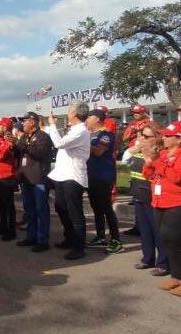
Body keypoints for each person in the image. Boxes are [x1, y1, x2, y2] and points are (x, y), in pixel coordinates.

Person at [142, 122, 181, 297]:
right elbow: (151, 175)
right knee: (167, 241)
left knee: (174, 241)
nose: (164, 138)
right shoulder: (164, 154)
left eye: (169, 136)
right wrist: (149, 163)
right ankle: (177, 276)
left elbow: (178, 177)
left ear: (180, 139)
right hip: (161, 203)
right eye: (164, 135)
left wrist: (156, 163)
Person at [45, 101, 91, 260]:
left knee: (75, 212)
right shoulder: (73, 130)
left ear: (76, 114)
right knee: (60, 207)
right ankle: (70, 237)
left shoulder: (81, 131)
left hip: (73, 176)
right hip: (62, 174)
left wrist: (52, 125)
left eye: (70, 110)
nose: (68, 112)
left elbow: (58, 143)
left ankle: (79, 247)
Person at [124, 122, 169, 276]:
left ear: (157, 138)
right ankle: (147, 259)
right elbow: (125, 159)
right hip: (139, 194)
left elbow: (158, 173)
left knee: (158, 231)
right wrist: (137, 149)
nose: (142, 138)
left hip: (153, 196)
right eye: (141, 135)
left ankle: (163, 263)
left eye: (146, 136)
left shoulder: (161, 153)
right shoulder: (139, 150)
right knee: (145, 230)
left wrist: (149, 156)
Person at [15, 112, 54, 252]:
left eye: (24, 121)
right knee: (29, 209)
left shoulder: (43, 137)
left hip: (39, 179)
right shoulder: (25, 136)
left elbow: (38, 153)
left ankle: (43, 240)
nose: (22, 124)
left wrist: (23, 144)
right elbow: (18, 151)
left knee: (41, 210)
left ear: (32, 122)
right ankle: (31, 236)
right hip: (26, 178)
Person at [85, 109, 123, 254]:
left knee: (106, 208)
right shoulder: (89, 134)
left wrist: (83, 143)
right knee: (96, 208)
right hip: (91, 176)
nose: (87, 119)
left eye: (89, 117)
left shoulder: (105, 134)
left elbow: (99, 151)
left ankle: (116, 240)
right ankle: (101, 237)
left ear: (97, 118)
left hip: (103, 176)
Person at [122, 104, 150, 237]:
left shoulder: (149, 123)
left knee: (144, 189)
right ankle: (139, 226)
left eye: (138, 113)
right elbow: (123, 139)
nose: (136, 114)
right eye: (134, 113)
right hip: (133, 154)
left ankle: (146, 226)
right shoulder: (132, 124)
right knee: (135, 184)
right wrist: (132, 132)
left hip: (145, 155)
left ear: (144, 112)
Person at [0, 117, 18, 241]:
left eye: (0, 126)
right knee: (1, 204)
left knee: (8, 205)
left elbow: (0, 155)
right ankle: (2, 226)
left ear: (6, 127)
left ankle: (10, 231)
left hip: (6, 177)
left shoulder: (8, 140)